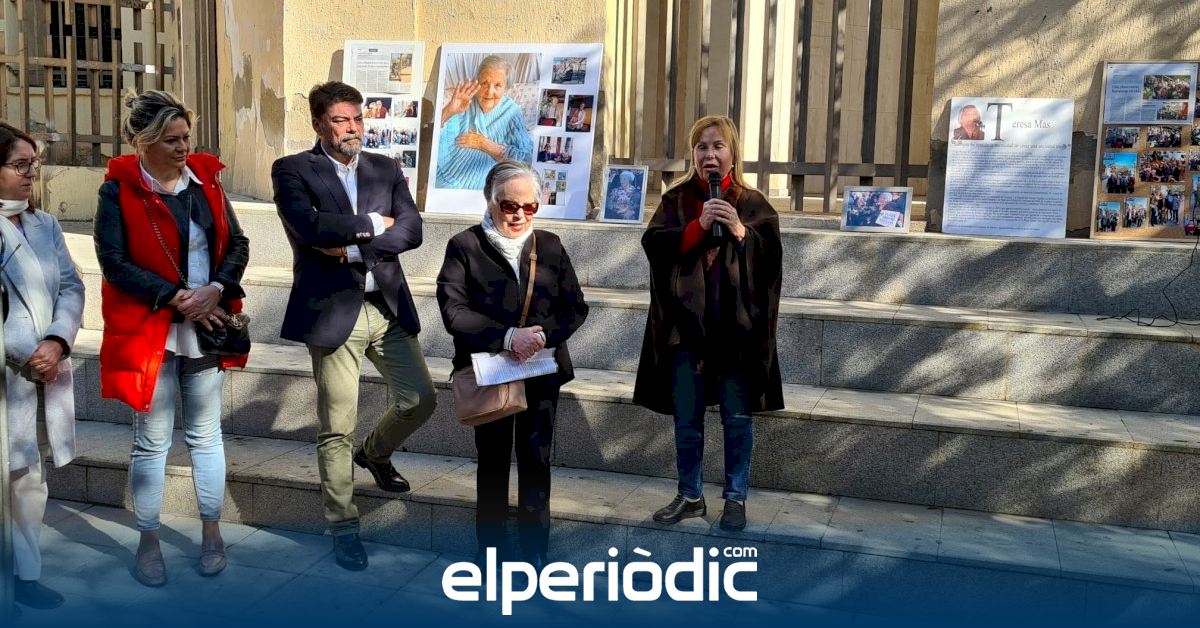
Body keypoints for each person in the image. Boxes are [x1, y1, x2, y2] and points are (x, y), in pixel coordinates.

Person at [272, 81, 436, 571]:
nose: (352, 128)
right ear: (318, 123)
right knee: (336, 427)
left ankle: (375, 454)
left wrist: (349, 248)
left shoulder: (385, 167)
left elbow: (413, 230)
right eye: (341, 120)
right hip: (333, 311)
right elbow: (310, 228)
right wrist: (375, 223)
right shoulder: (293, 169)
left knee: (420, 399)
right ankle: (343, 526)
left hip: (386, 306)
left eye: (358, 119)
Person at [95, 90, 249, 586]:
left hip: (207, 326)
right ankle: (148, 539)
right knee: (151, 441)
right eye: (171, 140)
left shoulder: (206, 181)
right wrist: (178, 297)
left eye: (186, 137)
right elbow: (113, 263)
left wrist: (216, 289)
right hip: (151, 331)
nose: (184, 148)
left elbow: (238, 243)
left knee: (206, 435)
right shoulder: (117, 192)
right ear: (142, 142)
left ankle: (212, 532)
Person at [436, 160, 588, 569]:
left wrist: (541, 336)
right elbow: (453, 311)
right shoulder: (464, 246)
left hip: (540, 370)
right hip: (491, 372)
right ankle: (491, 551)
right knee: (493, 462)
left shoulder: (550, 245)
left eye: (530, 207)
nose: (520, 215)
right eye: (509, 205)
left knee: (537, 460)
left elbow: (575, 307)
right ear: (490, 201)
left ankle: (535, 551)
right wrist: (507, 337)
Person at [634, 115, 782, 532]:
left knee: (737, 419)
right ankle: (690, 495)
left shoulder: (753, 202)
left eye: (718, 146)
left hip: (735, 333)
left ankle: (735, 497)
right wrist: (698, 227)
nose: (710, 155)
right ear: (693, 154)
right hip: (685, 332)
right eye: (702, 147)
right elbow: (655, 246)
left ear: (733, 153)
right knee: (687, 420)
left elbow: (770, 260)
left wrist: (739, 230)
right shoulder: (676, 200)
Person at [0, 122, 84, 615]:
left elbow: (71, 286)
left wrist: (56, 342)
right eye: (19, 165)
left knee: (30, 478)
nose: (31, 173)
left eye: (33, 163)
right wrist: (28, 352)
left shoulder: (44, 224)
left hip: (42, 371)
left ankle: (26, 576)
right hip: (11, 372)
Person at [436, 55, 533, 189]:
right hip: (444, 178)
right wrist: (449, 111)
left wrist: (484, 144)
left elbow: (526, 160)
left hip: (479, 189)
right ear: (477, 83)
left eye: (497, 85)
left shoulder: (512, 112)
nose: (489, 92)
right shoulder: (466, 100)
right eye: (485, 83)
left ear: (506, 89)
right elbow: (437, 142)